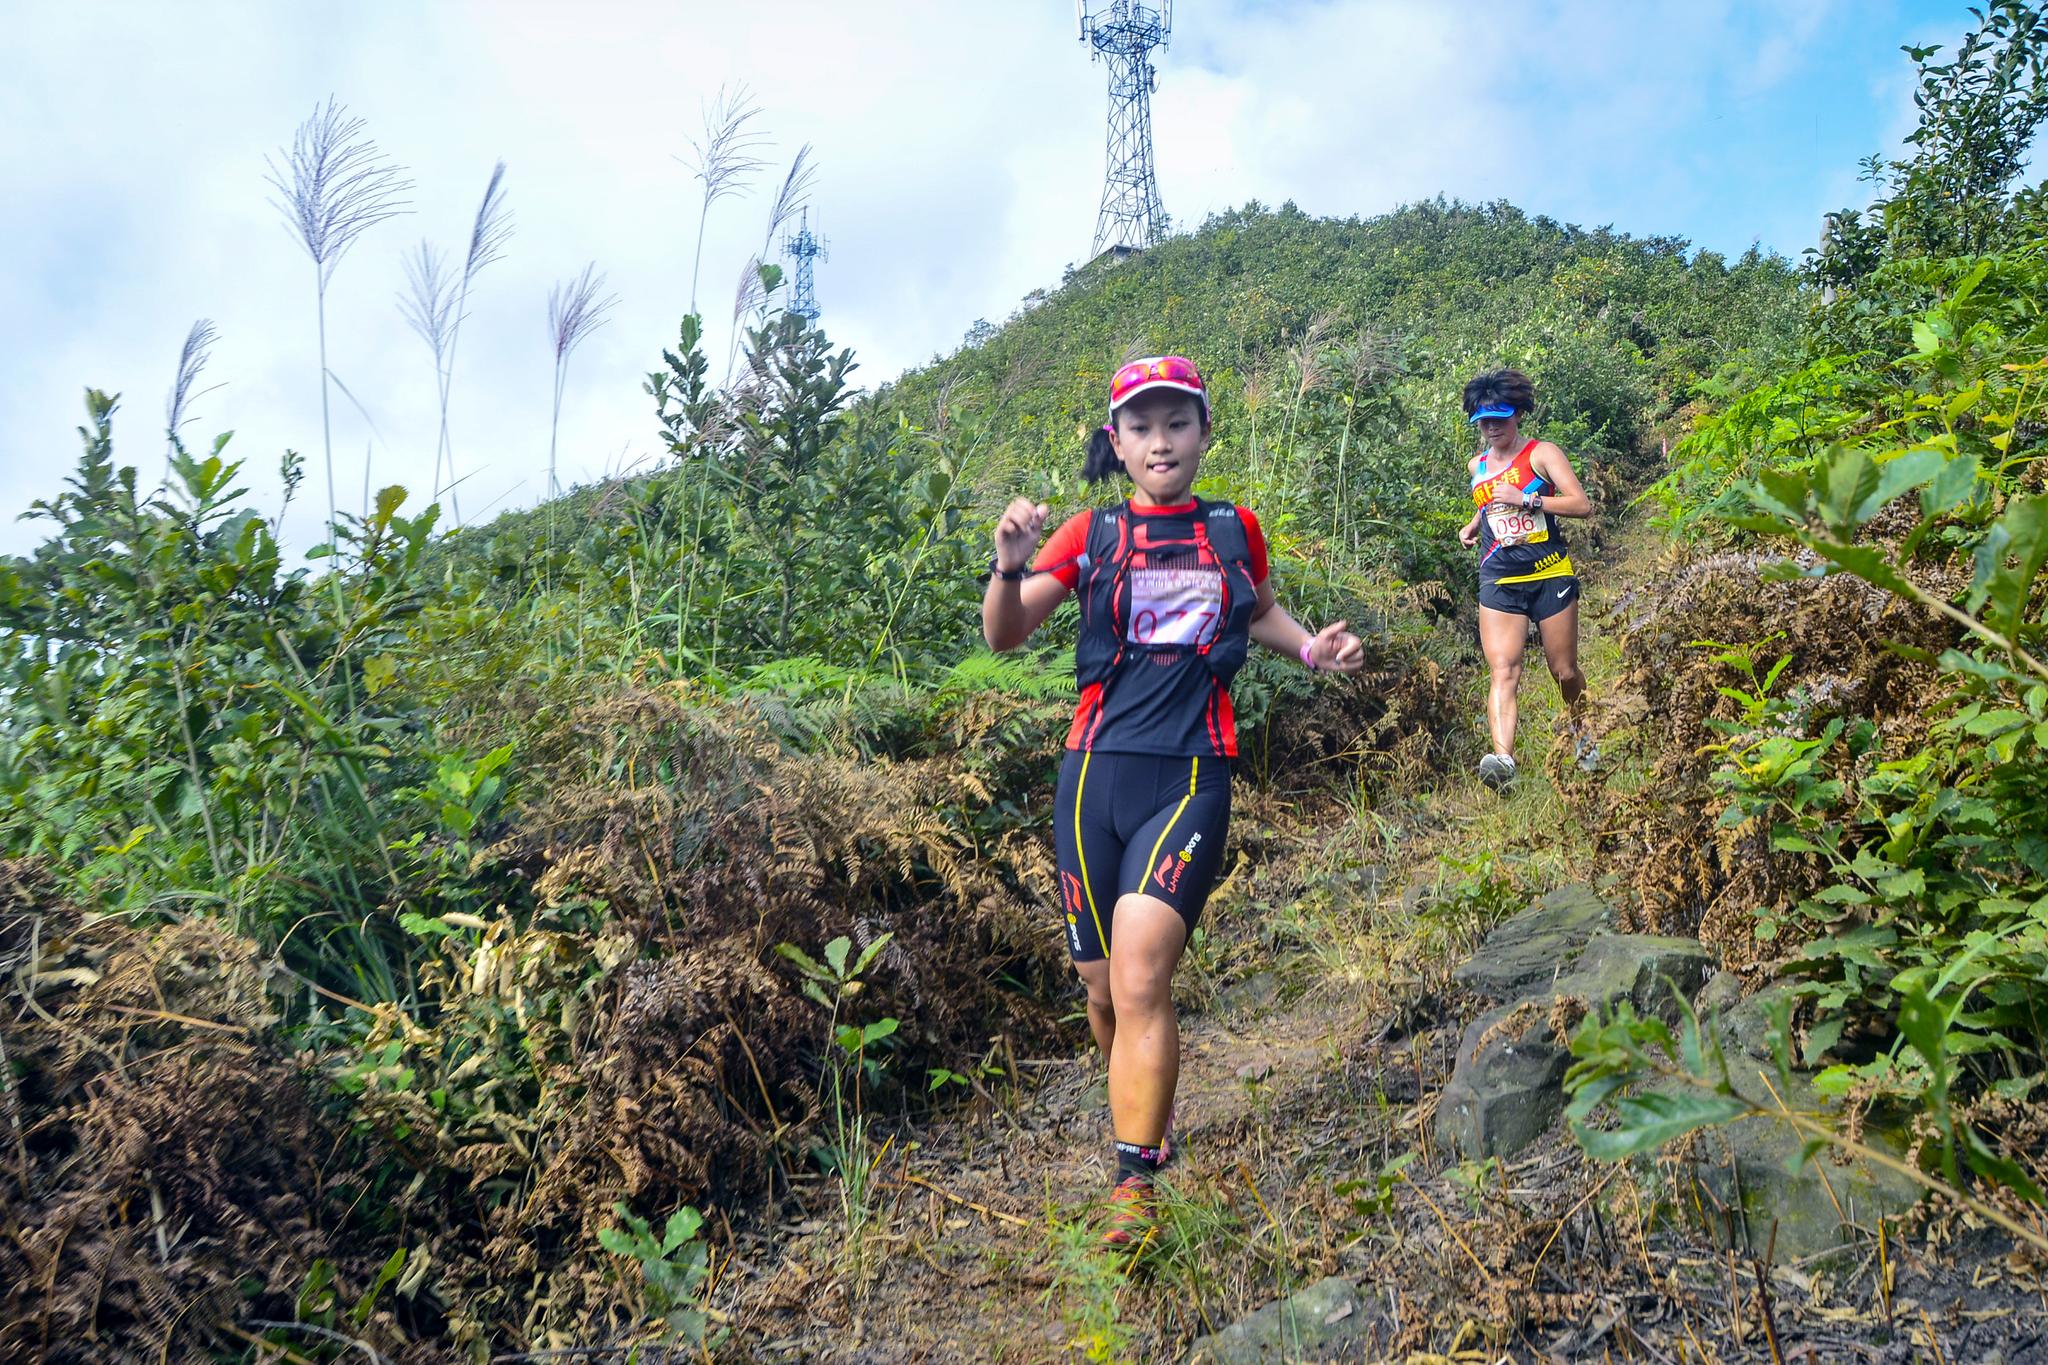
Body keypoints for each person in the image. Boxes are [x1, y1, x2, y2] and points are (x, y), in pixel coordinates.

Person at [981, 355, 1365, 1248]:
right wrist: (1008, 566)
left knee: (1142, 973)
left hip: (1192, 776)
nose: (1161, 441)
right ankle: (1138, 1107)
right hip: (1091, 780)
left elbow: (1258, 613)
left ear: (1203, 433)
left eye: (1178, 423)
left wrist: (1312, 649)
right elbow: (1006, 634)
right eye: (1142, 427)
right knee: (1102, 990)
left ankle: (1134, 1183)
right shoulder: (1091, 533)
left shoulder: (1233, 529)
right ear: (1116, 443)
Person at [1455, 368, 1593, 789]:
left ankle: (1586, 740)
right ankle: (1503, 763)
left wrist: (1529, 499)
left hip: (1549, 572)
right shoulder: (1477, 465)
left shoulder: (1541, 454)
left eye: (1499, 419)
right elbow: (1490, 501)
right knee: (1503, 670)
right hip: (1499, 577)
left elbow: (1581, 504)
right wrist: (1474, 524)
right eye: (1483, 422)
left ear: (1517, 414)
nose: (1491, 428)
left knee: (1563, 670)